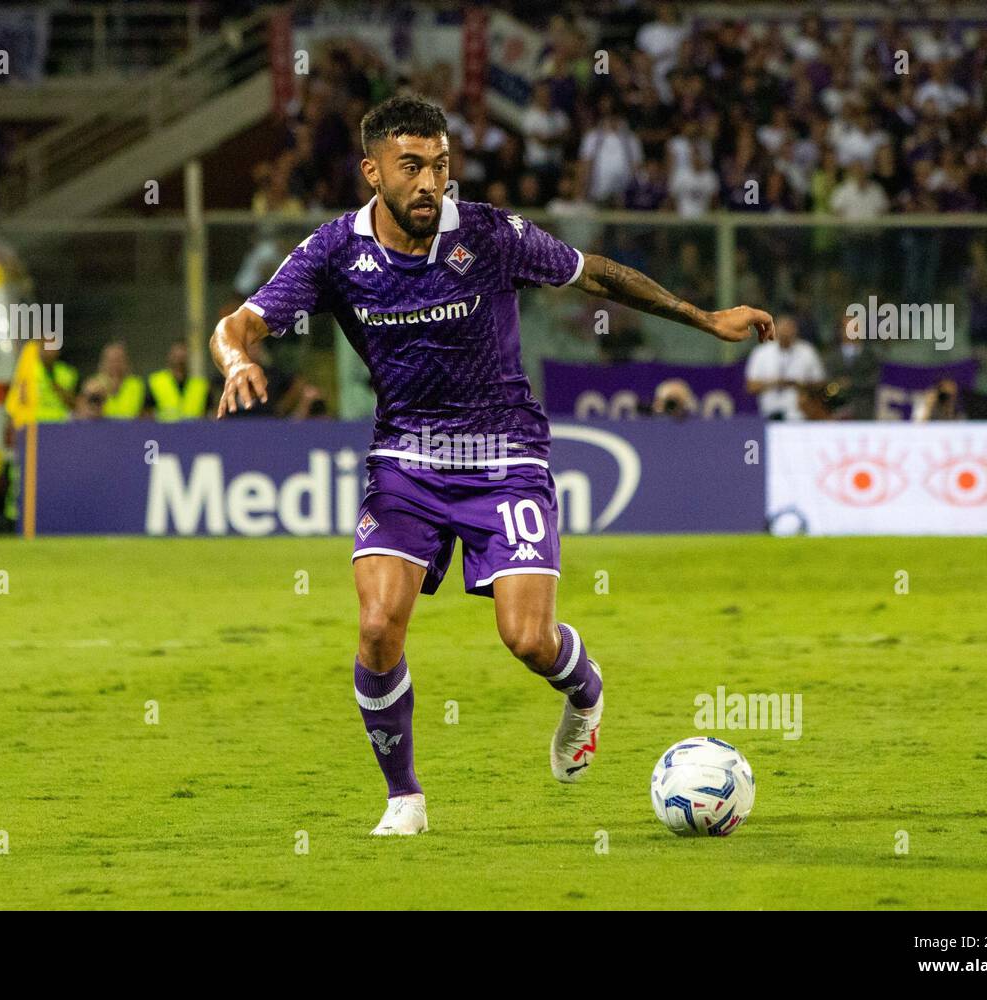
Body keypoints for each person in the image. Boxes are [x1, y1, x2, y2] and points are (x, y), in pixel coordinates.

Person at [211, 95, 773, 836]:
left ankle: (585, 692)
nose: (429, 183)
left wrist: (704, 318)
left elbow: (595, 275)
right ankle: (404, 798)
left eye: (440, 166)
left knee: (527, 639)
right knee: (379, 626)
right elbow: (238, 323)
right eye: (411, 167)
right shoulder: (334, 252)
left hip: (505, 456)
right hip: (404, 462)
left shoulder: (489, 234)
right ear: (372, 170)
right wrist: (234, 359)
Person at [744, 315, 825, 421]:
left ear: (795, 330)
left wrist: (799, 384)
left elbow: (821, 383)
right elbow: (750, 386)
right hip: (768, 412)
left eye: (789, 328)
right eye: (783, 329)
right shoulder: (761, 352)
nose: (786, 333)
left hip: (799, 415)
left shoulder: (807, 351)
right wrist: (775, 382)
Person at [146, 340, 211, 421]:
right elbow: (146, 414)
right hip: (163, 431)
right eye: (177, 357)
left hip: (194, 432)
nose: (180, 361)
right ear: (169, 357)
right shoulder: (155, 382)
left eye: (183, 357)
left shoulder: (201, 385)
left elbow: (208, 415)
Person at [96, 341, 146, 419]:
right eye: (111, 360)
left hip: (130, 428)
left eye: (119, 360)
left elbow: (140, 413)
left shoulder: (136, 384)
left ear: (126, 362)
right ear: (103, 362)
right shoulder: (94, 385)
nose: (115, 364)